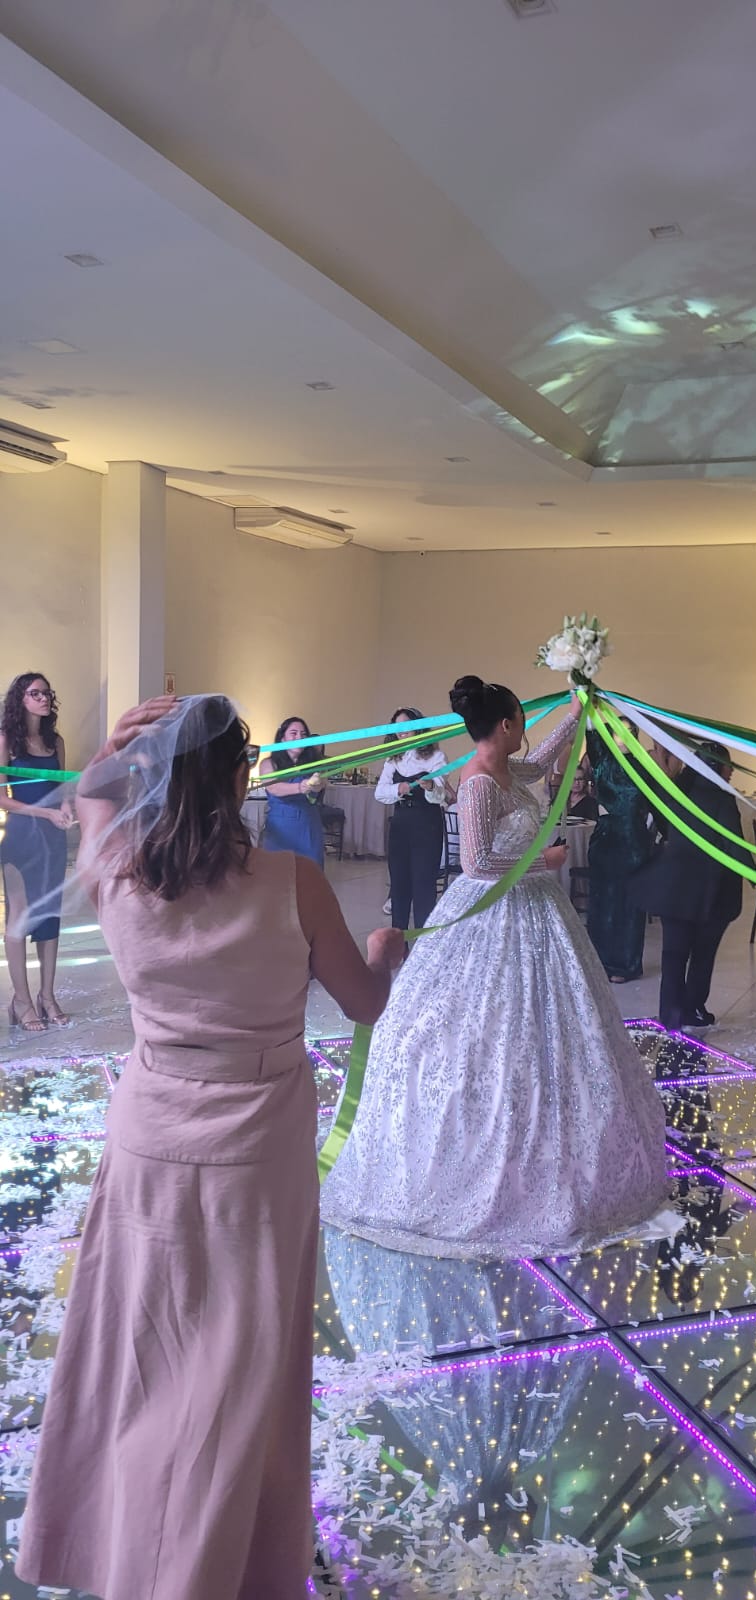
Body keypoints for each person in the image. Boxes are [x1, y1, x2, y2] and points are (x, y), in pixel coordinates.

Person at [16, 693, 404, 1600]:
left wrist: (115, 754)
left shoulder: (117, 873)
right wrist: (385, 951)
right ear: (241, 778)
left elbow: (92, 798)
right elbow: (364, 1004)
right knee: (243, 1368)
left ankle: (122, 1548)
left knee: (138, 1352)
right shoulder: (293, 882)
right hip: (259, 1148)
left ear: (155, 776)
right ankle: (221, 1565)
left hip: (151, 1135)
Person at [321, 675, 669, 1259]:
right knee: (482, 1024)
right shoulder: (479, 781)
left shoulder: (510, 769)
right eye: (522, 722)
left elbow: (544, 760)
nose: (526, 731)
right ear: (506, 725)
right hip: (491, 910)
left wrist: (575, 712)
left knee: (552, 1024)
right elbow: (477, 863)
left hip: (539, 912)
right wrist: (544, 858)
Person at [631, 741, 756, 1032]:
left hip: (674, 885)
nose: (731, 771)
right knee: (702, 954)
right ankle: (693, 1009)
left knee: (673, 955)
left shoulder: (677, 791)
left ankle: (670, 1014)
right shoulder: (721, 799)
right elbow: (734, 844)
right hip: (710, 890)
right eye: (728, 765)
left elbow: (663, 824)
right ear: (717, 767)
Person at [0, 671, 73, 1030]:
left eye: (46, 693)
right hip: (21, 837)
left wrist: (67, 807)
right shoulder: (6, 741)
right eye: (35, 693)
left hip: (53, 839)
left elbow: (62, 789)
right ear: (21, 699)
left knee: (50, 916)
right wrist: (45, 812)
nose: (44, 698)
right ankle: (21, 1001)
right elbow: (1, 798)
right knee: (20, 916)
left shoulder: (55, 741)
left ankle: (47, 996)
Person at [585, 718, 656, 983]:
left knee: (629, 905)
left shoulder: (644, 766)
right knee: (602, 903)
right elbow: (591, 733)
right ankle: (599, 963)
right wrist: (588, 700)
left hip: (633, 842)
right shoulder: (603, 762)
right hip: (606, 841)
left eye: (630, 731)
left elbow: (656, 803)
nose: (624, 736)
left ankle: (626, 964)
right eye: (619, 731)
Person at [374, 707, 452, 930]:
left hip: (427, 824)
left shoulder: (437, 757)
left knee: (423, 885)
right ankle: (398, 941)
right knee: (399, 884)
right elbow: (379, 793)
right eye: (397, 727)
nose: (402, 731)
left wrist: (430, 787)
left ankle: (422, 941)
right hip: (400, 824)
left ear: (418, 727)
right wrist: (398, 788)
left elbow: (441, 796)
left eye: (407, 726)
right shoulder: (393, 759)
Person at [259, 715, 326, 867]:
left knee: (310, 872)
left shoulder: (315, 763)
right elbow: (273, 787)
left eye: (303, 734)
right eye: (293, 733)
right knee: (279, 872)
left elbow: (322, 783)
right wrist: (300, 787)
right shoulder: (268, 763)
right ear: (282, 738)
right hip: (281, 828)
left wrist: (317, 784)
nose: (299, 738)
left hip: (309, 825)